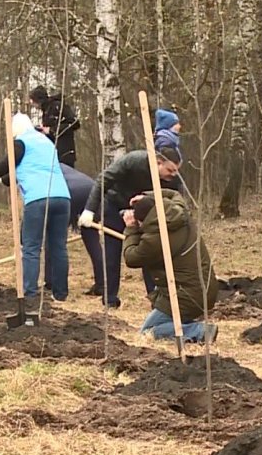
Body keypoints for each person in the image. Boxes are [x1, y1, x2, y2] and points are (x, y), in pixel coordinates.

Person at [78, 146, 184, 308]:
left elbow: (173, 202)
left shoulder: (172, 180)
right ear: (158, 163)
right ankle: (110, 300)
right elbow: (103, 179)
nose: (173, 174)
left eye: (176, 171)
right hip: (114, 205)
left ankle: (155, 301)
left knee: (150, 253)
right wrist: (89, 210)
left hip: (145, 213)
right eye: (170, 170)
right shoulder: (133, 161)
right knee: (111, 254)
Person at [0, 113, 71, 303]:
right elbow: (16, 173)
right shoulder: (46, 142)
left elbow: (6, 165)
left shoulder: (21, 142)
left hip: (38, 198)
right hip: (62, 197)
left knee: (31, 247)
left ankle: (30, 293)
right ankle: (60, 293)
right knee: (59, 247)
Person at [123, 189, 218, 343]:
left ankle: (199, 331)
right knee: (158, 323)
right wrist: (149, 197)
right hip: (204, 287)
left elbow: (131, 258)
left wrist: (131, 229)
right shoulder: (179, 213)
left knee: (148, 332)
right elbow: (175, 194)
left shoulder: (155, 238)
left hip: (185, 295)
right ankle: (185, 324)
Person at [62, 163, 106, 296]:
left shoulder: (40, 168)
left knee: (55, 241)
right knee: (93, 241)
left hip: (69, 193)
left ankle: (53, 285)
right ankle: (102, 285)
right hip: (93, 192)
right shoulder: (63, 166)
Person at [29, 86, 80, 167]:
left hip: (65, 154)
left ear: (39, 100)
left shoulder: (58, 106)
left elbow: (75, 123)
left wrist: (52, 130)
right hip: (53, 154)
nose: (33, 104)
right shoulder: (46, 111)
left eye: (34, 101)